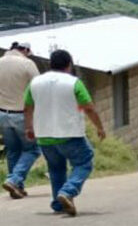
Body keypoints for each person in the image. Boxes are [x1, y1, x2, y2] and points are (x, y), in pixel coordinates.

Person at [24, 49, 106, 216]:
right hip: (70, 134)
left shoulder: (35, 83)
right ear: (69, 65)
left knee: (56, 169)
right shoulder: (74, 82)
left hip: (44, 135)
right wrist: (99, 127)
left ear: (50, 64)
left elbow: (27, 107)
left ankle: (59, 204)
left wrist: (29, 128)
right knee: (84, 162)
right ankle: (68, 192)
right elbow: (88, 108)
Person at [1, 42, 41, 199]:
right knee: (32, 149)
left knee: (13, 150)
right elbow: (38, 88)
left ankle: (16, 188)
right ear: (25, 50)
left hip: (2, 114)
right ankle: (14, 180)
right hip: (22, 114)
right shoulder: (27, 64)